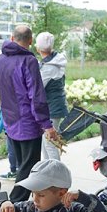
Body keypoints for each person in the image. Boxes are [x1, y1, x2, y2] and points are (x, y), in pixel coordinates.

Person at [0, 24, 55, 202]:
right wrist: (47, 125)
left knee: (22, 166)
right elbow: (36, 95)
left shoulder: (0, 60)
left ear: (12, 38)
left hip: (10, 120)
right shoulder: (29, 61)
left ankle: (23, 203)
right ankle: (13, 205)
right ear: (30, 41)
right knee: (29, 169)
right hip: (27, 123)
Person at [0, 159, 107, 212]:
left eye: (41, 195)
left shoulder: (74, 210)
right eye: (32, 193)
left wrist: (81, 197)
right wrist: (5, 204)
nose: (34, 199)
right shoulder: (28, 208)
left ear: (61, 193)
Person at [35, 31, 67, 161]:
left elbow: (37, 87)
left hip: (52, 108)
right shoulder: (56, 60)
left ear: (38, 48)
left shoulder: (49, 67)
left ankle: (56, 175)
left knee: (50, 143)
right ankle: (48, 172)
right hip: (55, 106)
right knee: (46, 142)